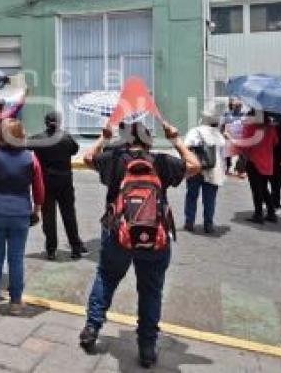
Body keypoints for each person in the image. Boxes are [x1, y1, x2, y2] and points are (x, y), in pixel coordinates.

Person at [79, 121, 200, 368]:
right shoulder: (162, 162)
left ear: (124, 140)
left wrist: (103, 138)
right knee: (151, 290)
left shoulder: (113, 159)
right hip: (155, 236)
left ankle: (92, 328)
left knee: (107, 277)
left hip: (118, 232)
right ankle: (146, 347)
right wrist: (176, 139)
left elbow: (87, 158)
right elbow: (195, 166)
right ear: (149, 140)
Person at [0, 119, 44, 315]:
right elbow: (39, 189)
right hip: (20, 211)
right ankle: (15, 302)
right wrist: (36, 210)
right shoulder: (31, 158)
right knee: (16, 258)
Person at [28, 111, 87, 260]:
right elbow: (75, 150)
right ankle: (75, 248)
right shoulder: (66, 138)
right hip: (65, 183)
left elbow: (24, 145)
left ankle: (51, 250)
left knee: (48, 217)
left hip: (46, 183)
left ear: (46, 122)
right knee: (69, 215)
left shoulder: (38, 139)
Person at [183, 109, 226, 234]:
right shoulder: (218, 134)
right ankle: (208, 224)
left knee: (191, 196)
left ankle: (189, 222)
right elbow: (222, 155)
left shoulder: (195, 131)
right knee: (210, 198)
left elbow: (185, 146)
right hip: (213, 170)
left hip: (196, 168)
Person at [237, 112, 279, 224]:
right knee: (264, 188)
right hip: (267, 162)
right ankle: (271, 213)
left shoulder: (251, 128)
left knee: (257, 190)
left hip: (254, 162)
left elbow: (245, 145)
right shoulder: (271, 128)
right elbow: (275, 142)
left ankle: (258, 214)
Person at [220, 98, 244, 176]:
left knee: (241, 154)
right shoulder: (227, 114)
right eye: (235, 105)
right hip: (229, 136)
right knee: (228, 153)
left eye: (239, 106)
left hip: (240, 137)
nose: (237, 107)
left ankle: (240, 169)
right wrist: (223, 132)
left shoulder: (243, 115)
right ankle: (228, 167)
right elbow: (222, 125)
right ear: (232, 106)